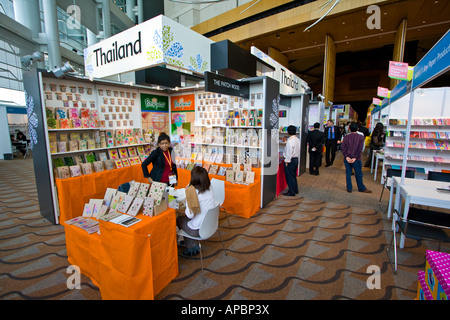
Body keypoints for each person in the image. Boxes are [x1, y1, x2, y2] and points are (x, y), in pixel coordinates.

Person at [177, 166, 216, 256]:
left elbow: (189, 215)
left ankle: (191, 246)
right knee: (185, 218)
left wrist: (188, 198)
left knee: (179, 219)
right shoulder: (210, 186)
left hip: (198, 230)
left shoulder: (193, 193)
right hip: (210, 224)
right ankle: (191, 244)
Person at [340, 123, 372, 193]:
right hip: (357, 159)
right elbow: (360, 149)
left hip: (347, 158)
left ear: (349, 129)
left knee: (348, 173)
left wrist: (347, 157)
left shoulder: (346, 137)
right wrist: (355, 157)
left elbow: (342, 147)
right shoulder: (361, 137)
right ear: (357, 129)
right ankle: (361, 188)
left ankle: (349, 188)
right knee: (358, 173)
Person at [283, 125, 300, 196]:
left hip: (290, 160)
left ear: (288, 132)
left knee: (289, 176)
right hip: (295, 159)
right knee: (293, 176)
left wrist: (287, 161)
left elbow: (289, 152)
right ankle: (295, 189)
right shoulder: (297, 139)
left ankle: (291, 192)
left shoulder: (289, 141)